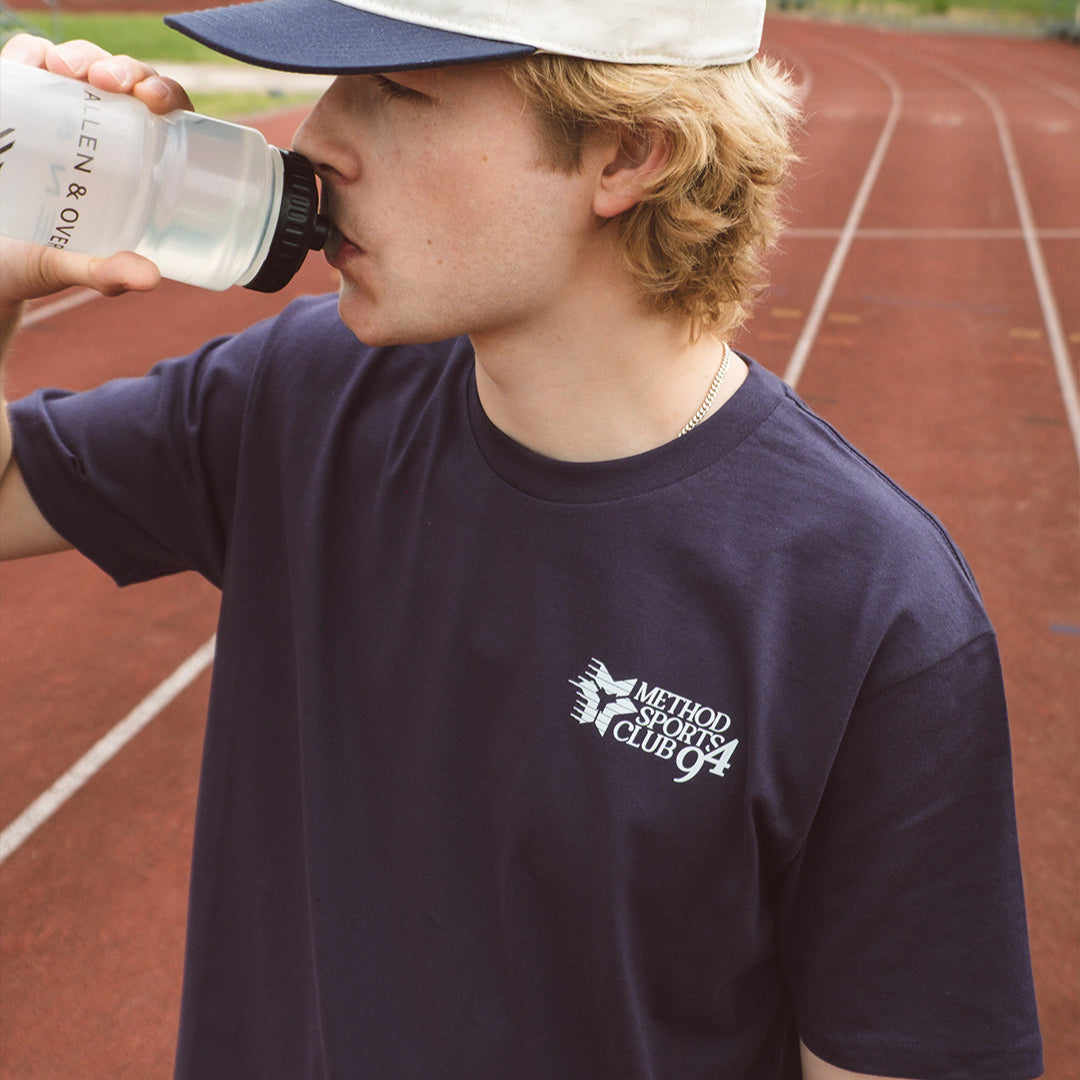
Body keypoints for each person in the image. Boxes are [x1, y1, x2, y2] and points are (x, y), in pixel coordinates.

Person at [0, 1, 1043, 1077]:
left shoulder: (866, 609)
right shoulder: (301, 393)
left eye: (395, 89)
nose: (314, 138)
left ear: (629, 152)